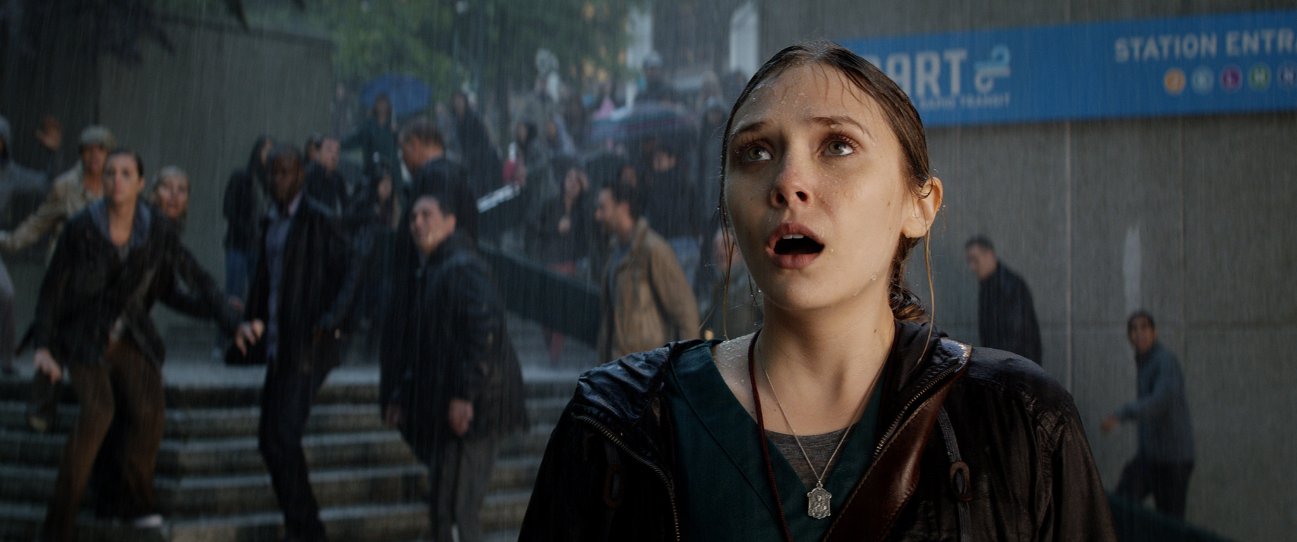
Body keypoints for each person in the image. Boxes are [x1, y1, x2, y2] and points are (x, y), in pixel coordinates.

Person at [521, 41, 1115, 540]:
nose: (788, 183)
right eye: (755, 152)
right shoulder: (613, 427)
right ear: (726, 203)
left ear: (920, 204)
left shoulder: (1023, 425)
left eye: (838, 145)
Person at [29, 149, 236, 541]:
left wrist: (229, 318)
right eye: (110, 173)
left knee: (148, 409)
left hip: (129, 335)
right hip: (84, 334)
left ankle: (134, 502)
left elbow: (191, 278)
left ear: (139, 183)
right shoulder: (82, 228)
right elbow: (52, 290)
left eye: (126, 174)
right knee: (99, 412)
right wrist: (44, 346)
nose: (116, 181)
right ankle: (58, 527)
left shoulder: (157, 231)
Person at [383, 173, 527, 542]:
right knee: (445, 510)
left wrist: (465, 395)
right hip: (467, 406)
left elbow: (484, 330)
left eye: (426, 215)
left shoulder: (460, 265)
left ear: (450, 222)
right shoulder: (440, 267)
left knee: (458, 510)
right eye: (413, 217)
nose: (417, 223)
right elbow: (433, 346)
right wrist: (404, 392)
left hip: (479, 408)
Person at [232, 144, 362, 541]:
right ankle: (300, 523)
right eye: (273, 172)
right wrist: (249, 320)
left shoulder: (318, 219)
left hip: (307, 346)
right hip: (278, 344)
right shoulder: (270, 221)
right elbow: (266, 281)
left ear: (301, 175)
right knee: (269, 440)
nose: (278, 180)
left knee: (284, 437)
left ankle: (308, 529)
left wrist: (332, 320)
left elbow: (353, 268)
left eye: (286, 172)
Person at [592, 178, 699, 363]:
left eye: (603, 208)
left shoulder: (653, 250)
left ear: (623, 208)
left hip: (648, 370)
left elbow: (685, 313)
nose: (597, 215)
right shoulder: (615, 253)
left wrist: (686, 367)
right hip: (620, 368)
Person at [1102, 310, 1195, 519]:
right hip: (1151, 457)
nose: (1139, 334)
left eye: (1144, 328)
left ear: (1155, 332)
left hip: (1173, 460)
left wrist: (1121, 414)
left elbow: (1160, 401)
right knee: (1122, 503)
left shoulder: (1164, 361)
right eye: (1134, 329)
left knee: (1171, 523)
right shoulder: (1144, 362)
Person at [526, 157, 592, 363]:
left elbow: (591, 229)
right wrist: (555, 228)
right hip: (549, 261)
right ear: (563, 181)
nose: (573, 183)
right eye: (570, 178)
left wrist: (587, 193)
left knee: (561, 312)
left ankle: (554, 357)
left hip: (569, 264)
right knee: (547, 314)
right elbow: (534, 226)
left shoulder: (583, 209)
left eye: (577, 181)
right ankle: (551, 350)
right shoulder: (550, 204)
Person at [0, 115, 46, 375]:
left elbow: (45, 183)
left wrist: (51, 154)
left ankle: (6, 360)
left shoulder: (10, 173)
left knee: (6, 295)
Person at [965, 235, 1043, 364]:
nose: (972, 267)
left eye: (975, 260)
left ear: (989, 255)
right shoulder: (991, 285)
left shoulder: (1009, 286)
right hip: (1009, 364)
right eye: (969, 261)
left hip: (1014, 365)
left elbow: (1016, 335)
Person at [222, 135, 274, 315]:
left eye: (272, 150)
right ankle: (228, 330)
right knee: (234, 294)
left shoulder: (271, 183)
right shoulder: (241, 177)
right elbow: (228, 208)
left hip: (259, 246)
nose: (269, 154)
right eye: (266, 149)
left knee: (257, 295)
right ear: (258, 151)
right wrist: (245, 229)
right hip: (238, 244)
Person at [450, 90, 502, 198]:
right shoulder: (456, 121)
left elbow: (483, 140)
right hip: (472, 162)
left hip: (483, 160)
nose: (458, 103)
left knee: (486, 190)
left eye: (460, 100)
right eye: (456, 101)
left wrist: (473, 156)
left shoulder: (473, 118)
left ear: (465, 101)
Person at [343, 93, 400, 180]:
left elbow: (396, 148)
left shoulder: (392, 127)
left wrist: (396, 133)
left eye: (384, 103)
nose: (382, 106)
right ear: (375, 105)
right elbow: (355, 139)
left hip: (388, 172)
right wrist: (339, 144)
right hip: (371, 170)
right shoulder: (369, 126)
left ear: (388, 106)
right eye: (380, 103)